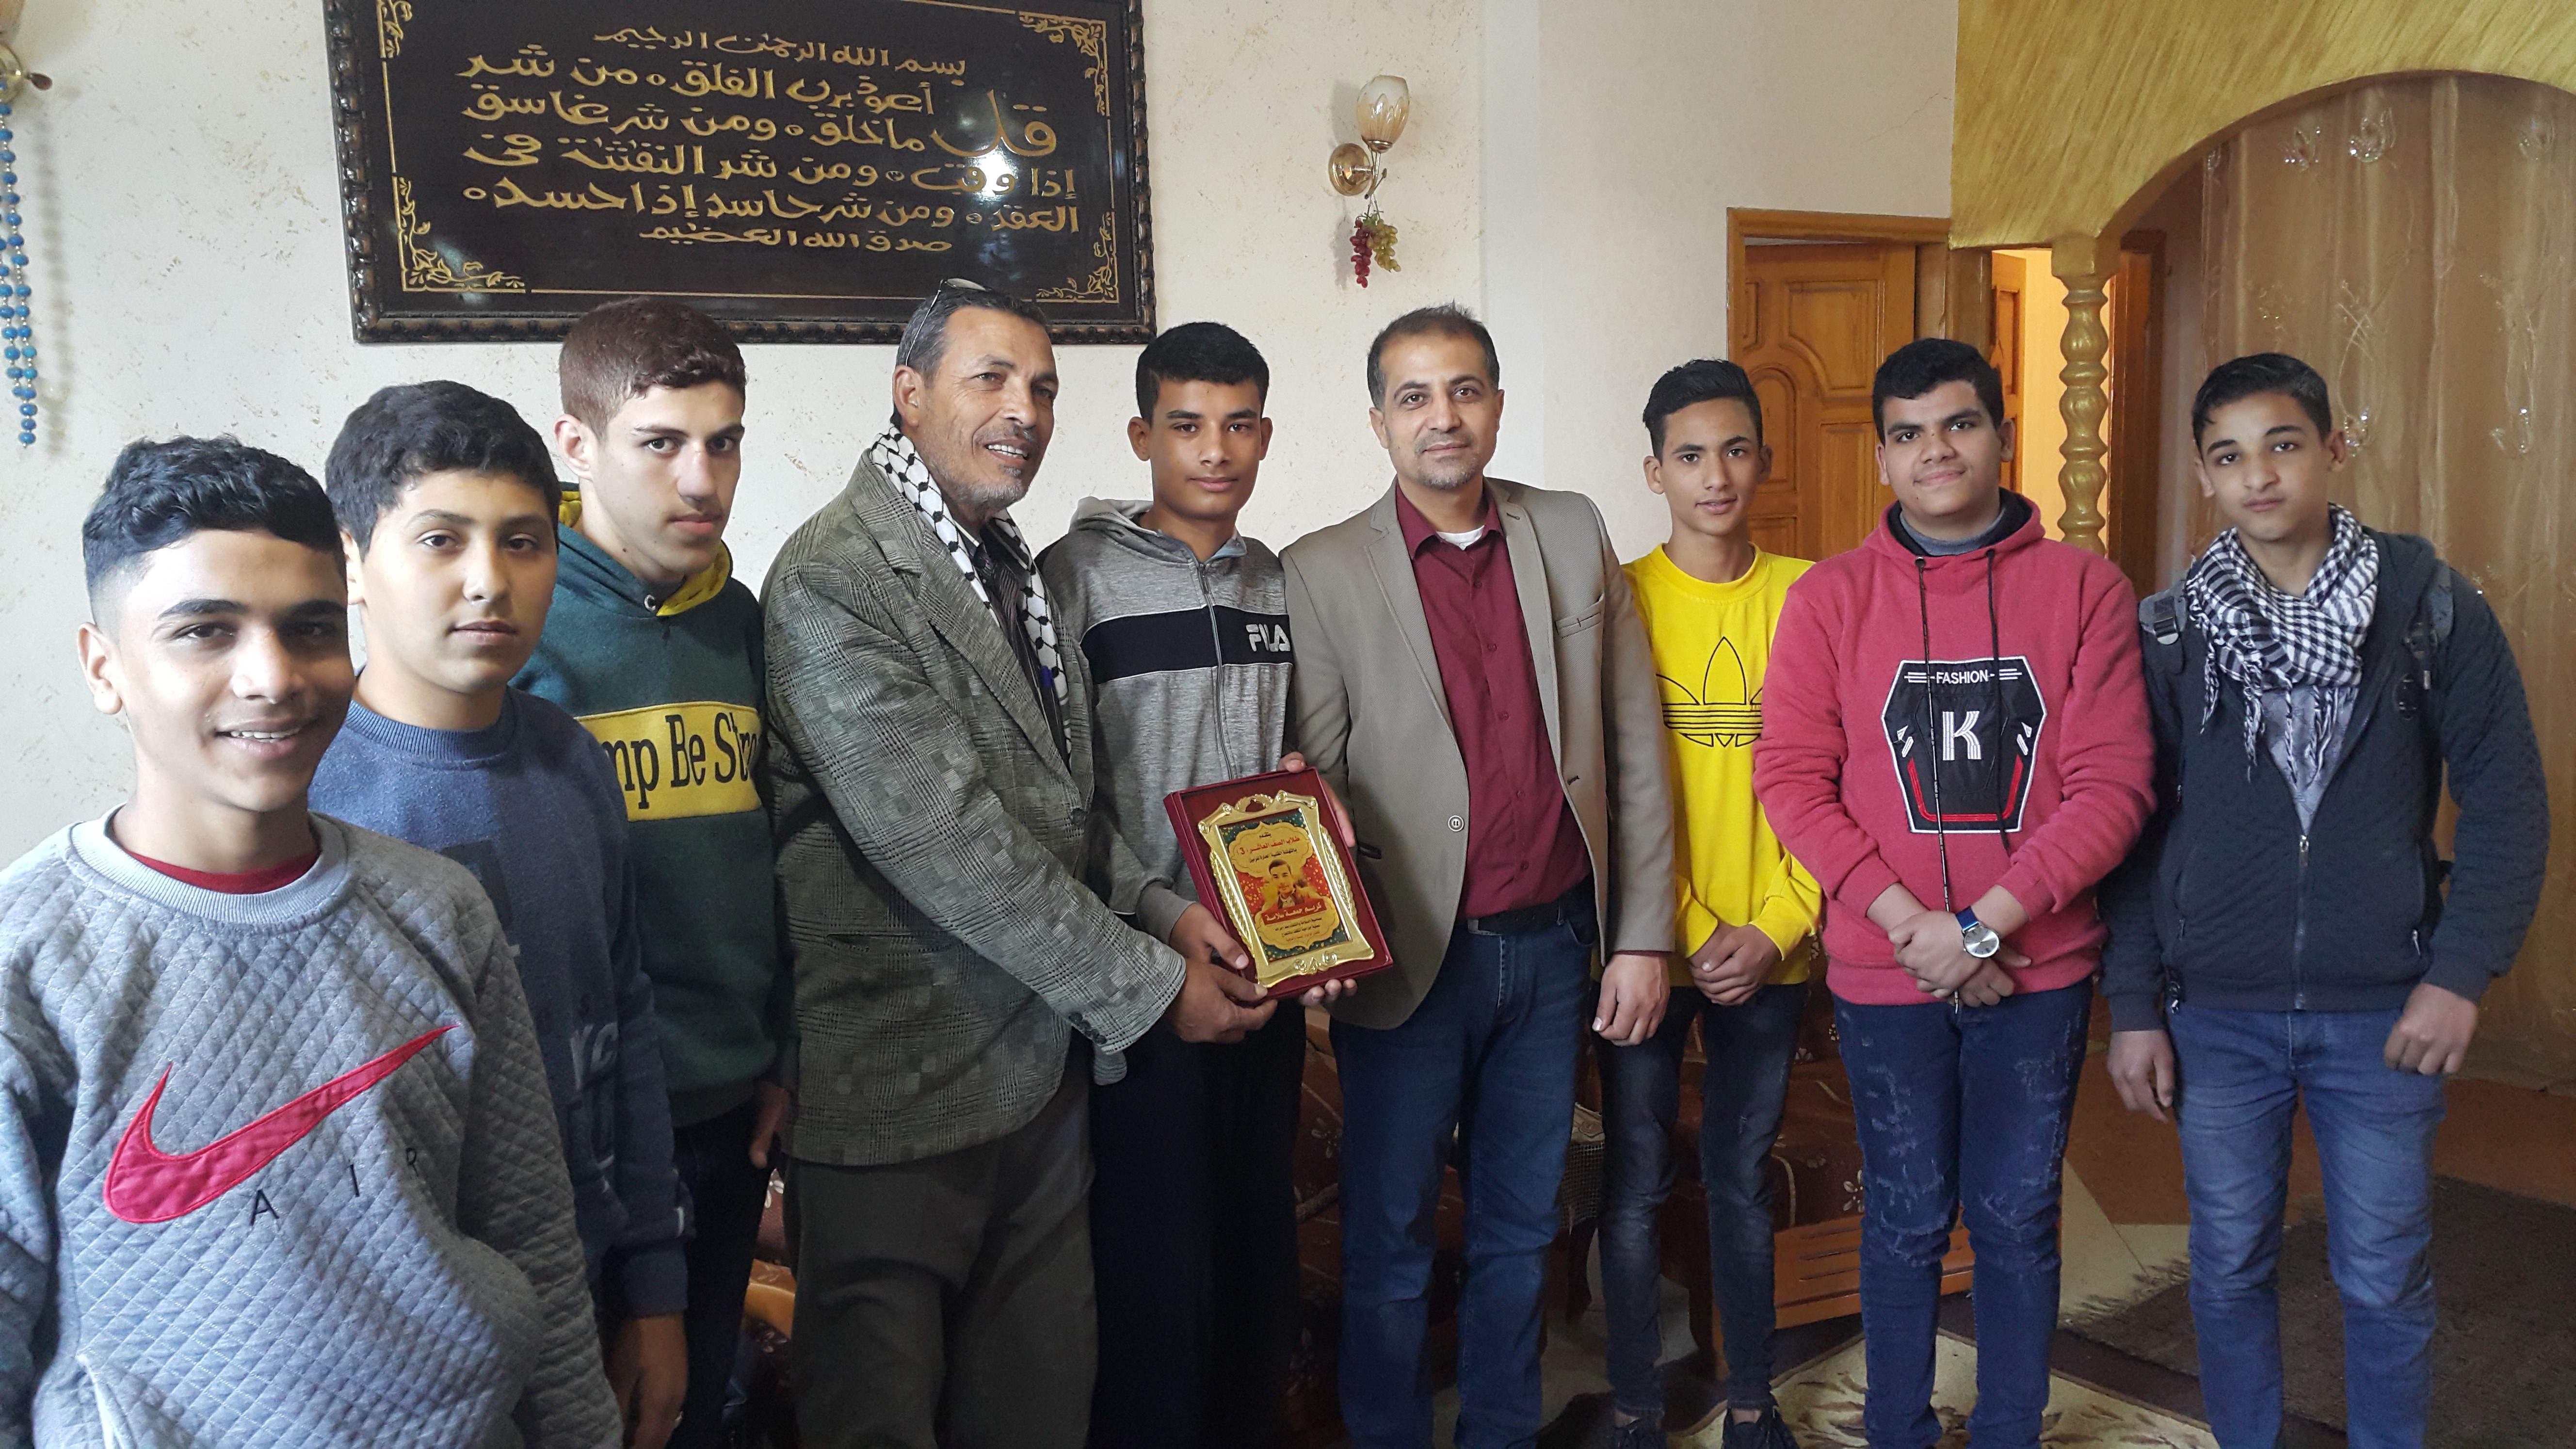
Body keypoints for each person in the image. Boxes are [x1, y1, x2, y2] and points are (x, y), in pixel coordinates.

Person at [0, 436, 615, 1445]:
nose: (272, 677)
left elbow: (533, 1235)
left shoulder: (441, 910)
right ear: (105, 668)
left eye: (311, 628)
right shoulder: (29, 960)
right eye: (205, 631)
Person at [763, 283, 1273, 1449]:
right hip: (901, 1094)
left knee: (1037, 1408)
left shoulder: (1011, 571)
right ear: (908, 394)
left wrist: (1162, 910)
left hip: (1040, 1089)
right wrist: (1157, 988)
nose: (1024, 412)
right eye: (989, 379)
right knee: (883, 1421)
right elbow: (951, 842)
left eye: (1041, 388)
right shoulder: (836, 575)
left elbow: (1059, 809)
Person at [2100, 354, 2546, 1449]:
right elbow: (2132, 829)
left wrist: (2458, 975)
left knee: (2385, 1276)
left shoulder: (2429, 609)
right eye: (2228, 456)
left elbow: (2507, 797)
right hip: (2217, 1015)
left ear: (2333, 451)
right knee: (2227, 1264)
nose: (2258, 475)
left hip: (2384, 1017)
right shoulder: (2171, 633)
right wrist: (2135, 1007)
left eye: (2283, 445)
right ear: (2205, 475)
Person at [1281, 303, 1675, 1449]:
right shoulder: (1321, 570)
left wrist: (1640, 936)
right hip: (1409, 963)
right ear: (1378, 422)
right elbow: (1320, 775)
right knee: (1392, 1240)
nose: (1441, 416)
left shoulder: (1570, 529)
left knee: (1520, 1232)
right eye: (1413, 396)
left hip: (1553, 952)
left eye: (1463, 389)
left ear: (1497, 405)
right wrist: (1318, 929)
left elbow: (1634, 743)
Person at [1752, 338, 2153, 1449]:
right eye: (1909, 433)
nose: (1935, 451)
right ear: (1882, 457)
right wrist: (1916, 930)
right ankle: (1897, 1429)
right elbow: (1790, 780)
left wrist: (1979, 929)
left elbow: (2116, 786)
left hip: (2038, 969)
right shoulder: (1829, 600)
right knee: (1905, 1217)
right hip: (1885, 973)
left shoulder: (2085, 590)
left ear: (2001, 436)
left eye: (1959, 424)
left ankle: (2010, 1428)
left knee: (2017, 1216)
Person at [310, 381, 691, 1448]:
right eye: (441, 540)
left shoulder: (572, 760)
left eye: (523, 542)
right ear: (352, 562)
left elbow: (626, 1015)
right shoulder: (307, 791)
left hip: (587, 1280)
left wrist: (654, 1288)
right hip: (392, 1326)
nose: (489, 581)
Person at [1039, 320, 1336, 1448]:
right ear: (1141, 436)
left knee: (1257, 1258)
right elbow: (1061, 798)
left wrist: (1320, 914)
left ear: (1265, 434)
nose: (1215, 449)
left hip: (1267, 977)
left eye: (1239, 424)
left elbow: (1296, 772)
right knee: (1156, 1277)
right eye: (1187, 425)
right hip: (1139, 986)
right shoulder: (1075, 582)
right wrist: (1165, 919)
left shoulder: (1275, 582)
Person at [515, 297, 788, 1449]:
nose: (700, 480)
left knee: (696, 1406)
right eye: (661, 444)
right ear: (576, 446)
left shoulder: (744, 621)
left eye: (723, 443)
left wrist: (781, 1051)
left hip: (730, 1104)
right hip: (578, 1124)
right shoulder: (518, 626)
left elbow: (781, 850)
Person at [1599, 360, 1821, 1449]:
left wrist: (1776, 925)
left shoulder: (1812, 595)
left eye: (1735, 450)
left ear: (1764, 461)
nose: (1716, 475)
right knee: (1637, 1182)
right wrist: (1687, 923)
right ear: (1655, 472)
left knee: (1740, 1180)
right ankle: (1636, 1404)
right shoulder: (1620, 599)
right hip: (1652, 946)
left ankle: (1751, 1400)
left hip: (1774, 949)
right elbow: (1608, 784)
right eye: (1690, 455)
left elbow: (1840, 783)